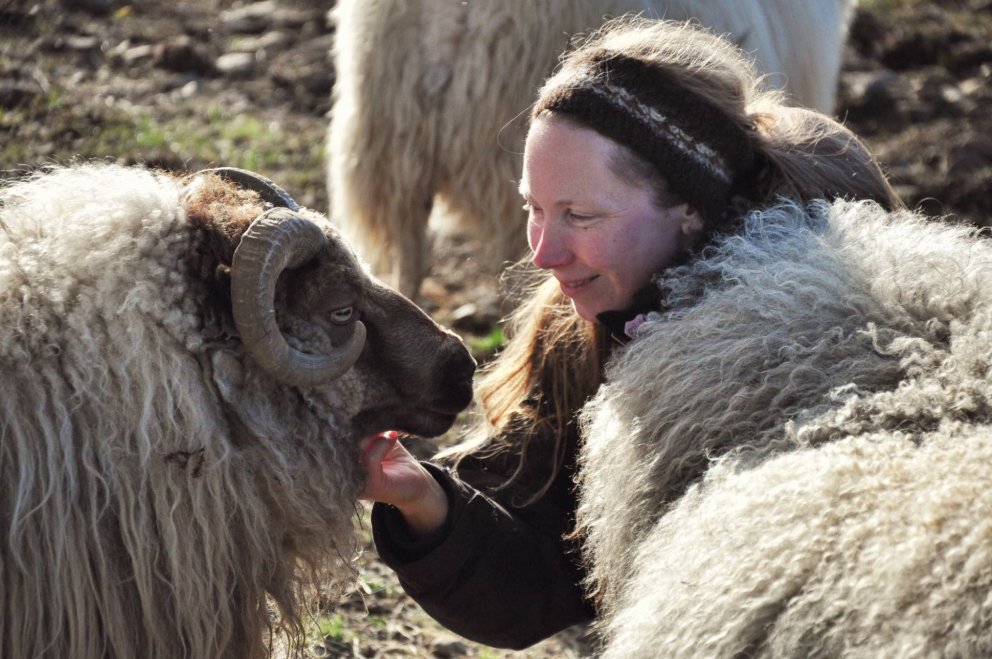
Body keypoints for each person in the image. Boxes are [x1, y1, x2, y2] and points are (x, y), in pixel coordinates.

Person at [360, 16, 903, 650]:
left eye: (579, 215)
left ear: (689, 210)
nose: (541, 252)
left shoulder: (838, 338)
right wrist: (426, 502)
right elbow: (543, 568)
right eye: (532, 206)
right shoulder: (581, 329)